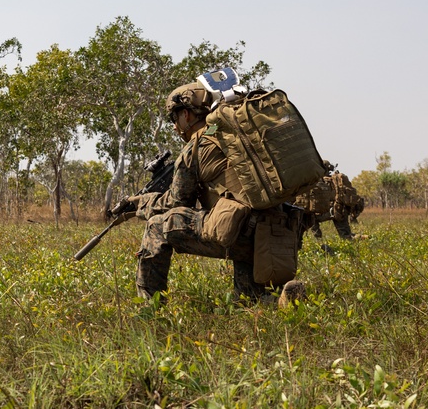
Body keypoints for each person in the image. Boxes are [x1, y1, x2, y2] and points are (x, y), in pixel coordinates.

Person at [122, 81, 306, 308]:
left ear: (187, 115)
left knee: (157, 226)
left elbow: (178, 203)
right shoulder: (239, 135)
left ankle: (150, 308)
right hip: (276, 233)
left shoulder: (197, 145)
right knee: (248, 302)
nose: (174, 125)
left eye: (174, 118)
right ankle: (282, 301)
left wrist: (141, 203)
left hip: (240, 232)